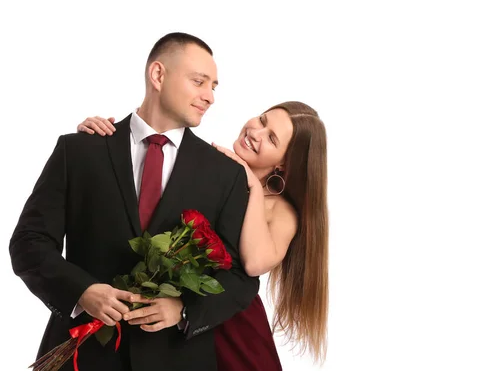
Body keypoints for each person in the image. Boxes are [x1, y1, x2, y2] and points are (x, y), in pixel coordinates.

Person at [9, 32, 259, 371]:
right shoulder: (80, 150)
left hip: (177, 358)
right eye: (199, 82)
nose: (209, 96)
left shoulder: (225, 173)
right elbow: (28, 243)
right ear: (158, 75)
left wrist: (183, 308)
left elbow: (241, 276)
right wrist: (81, 292)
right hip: (84, 355)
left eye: (214, 86)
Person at [76, 100, 329, 370]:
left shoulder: (282, 212)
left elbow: (255, 263)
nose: (256, 133)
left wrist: (253, 186)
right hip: (172, 316)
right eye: (262, 120)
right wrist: (99, 144)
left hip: (231, 323)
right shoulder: (211, 167)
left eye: (271, 138)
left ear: (284, 165)